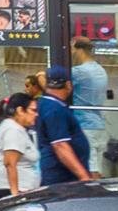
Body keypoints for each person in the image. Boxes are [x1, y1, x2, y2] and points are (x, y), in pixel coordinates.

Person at [35, 66, 95, 184]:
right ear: (68, 85)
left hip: (60, 173)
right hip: (61, 176)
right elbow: (60, 145)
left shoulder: (47, 104)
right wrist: (83, 176)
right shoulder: (54, 109)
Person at [0, 92, 42, 197]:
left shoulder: (12, 127)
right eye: (33, 110)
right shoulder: (13, 130)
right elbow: (10, 163)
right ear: (20, 110)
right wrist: (15, 194)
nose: (36, 114)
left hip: (18, 189)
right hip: (10, 190)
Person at [70, 39, 110, 174]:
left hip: (85, 125)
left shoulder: (79, 72)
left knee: (90, 169)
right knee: (97, 167)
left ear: (78, 49)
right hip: (99, 123)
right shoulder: (100, 70)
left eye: (72, 49)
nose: (71, 53)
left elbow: (54, 83)